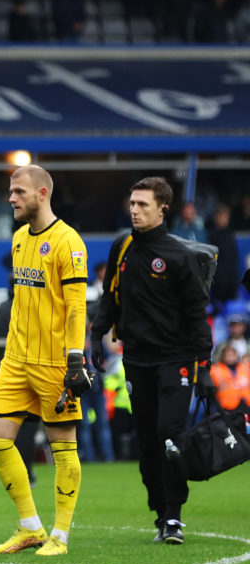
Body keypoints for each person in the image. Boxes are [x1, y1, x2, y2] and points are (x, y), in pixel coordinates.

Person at [90, 177, 214, 545]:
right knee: (146, 443)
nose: (134, 210)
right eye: (132, 203)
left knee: (170, 436)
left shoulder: (180, 256)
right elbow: (109, 294)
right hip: (136, 359)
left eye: (143, 205)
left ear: (163, 209)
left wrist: (204, 367)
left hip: (175, 359)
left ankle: (174, 516)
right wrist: (98, 334)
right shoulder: (122, 245)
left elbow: (197, 314)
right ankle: (160, 511)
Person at [0, 164, 89, 557]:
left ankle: (60, 535)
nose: (11, 198)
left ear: (42, 194)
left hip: (53, 363)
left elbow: (77, 307)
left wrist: (75, 358)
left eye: (19, 192)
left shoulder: (68, 242)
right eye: (11, 191)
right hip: (15, 359)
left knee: (64, 448)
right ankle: (30, 527)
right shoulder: (17, 238)